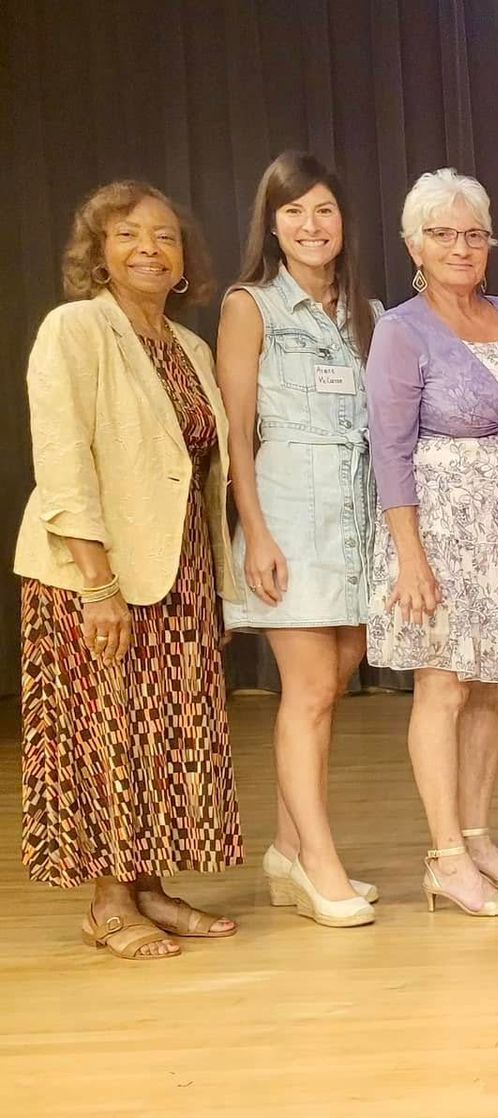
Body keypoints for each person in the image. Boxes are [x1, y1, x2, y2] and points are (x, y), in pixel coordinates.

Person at [15, 181, 242, 959]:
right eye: (128, 234)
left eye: (166, 236)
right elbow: (61, 461)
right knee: (106, 731)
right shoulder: (75, 329)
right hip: (93, 573)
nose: (150, 247)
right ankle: (109, 901)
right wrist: (97, 582)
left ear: (183, 262)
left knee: (162, 737)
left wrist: (213, 584)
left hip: (176, 572)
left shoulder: (190, 346)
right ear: (98, 253)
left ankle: (148, 884)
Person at [366, 168, 498, 917]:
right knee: (444, 684)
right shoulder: (401, 329)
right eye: (443, 233)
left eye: (473, 233)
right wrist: (409, 556)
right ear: (414, 243)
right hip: (441, 526)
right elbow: (388, 450)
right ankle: (446, 856)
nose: (460, 246)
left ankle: (477, 835)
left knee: (493, 686)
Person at [217, 151, 382, 928]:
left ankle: (286, 847)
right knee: (309, 689)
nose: (311, 226)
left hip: (354, 512)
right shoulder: (250, 305)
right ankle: (319, 863)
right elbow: (236, 434)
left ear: (343, 220)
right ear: (271, 224)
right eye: (293, 213)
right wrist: (254, 532)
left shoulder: (366, 309)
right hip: (288, 509)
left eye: (323, 210)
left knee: (340, 669)